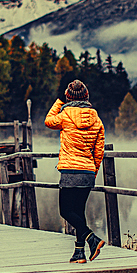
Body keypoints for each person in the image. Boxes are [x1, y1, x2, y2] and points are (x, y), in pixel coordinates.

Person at [45, 79, 106, 263]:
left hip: (70, 170)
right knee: (79, 211)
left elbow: (48, 121)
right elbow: (99, 149)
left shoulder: (64, 115)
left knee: (65, 211)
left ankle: (92, 239)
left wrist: (59, 102)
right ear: (86, 96)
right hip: (87, 171)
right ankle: (79, 253)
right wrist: (93, 171)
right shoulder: (95, 117)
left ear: (68, 97)